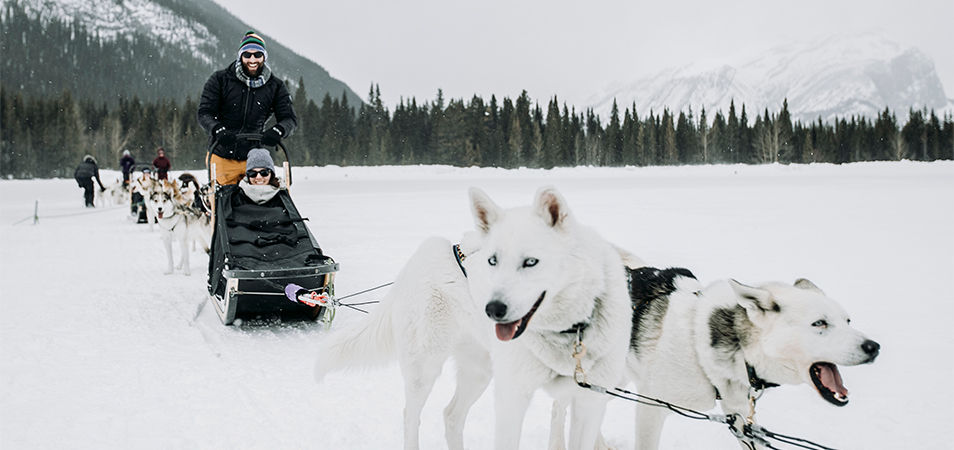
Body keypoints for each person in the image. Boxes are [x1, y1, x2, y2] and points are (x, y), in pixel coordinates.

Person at [197, 30, 297, 185]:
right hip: (221, 155)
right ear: (240, 56)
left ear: (264, 57)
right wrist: (217, 130)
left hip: (254, 159)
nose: (252, 59)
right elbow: (205, 113)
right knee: (223, 203)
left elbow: (289, 118)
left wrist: (278, 130)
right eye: (247, 54)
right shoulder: (220, 80)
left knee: (259, 203)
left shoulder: (275, 86)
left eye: (257, 54)